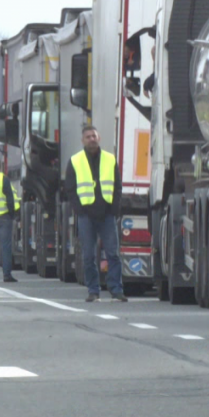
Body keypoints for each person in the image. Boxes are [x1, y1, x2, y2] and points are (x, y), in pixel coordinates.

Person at [65, 125, 127, 303]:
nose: (91, 139)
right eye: (88, 137)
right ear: (83, 140)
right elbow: (70, 188)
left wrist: (115, 208)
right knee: (89, 255)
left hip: (107, 214)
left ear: (99, 138)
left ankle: (116, 290)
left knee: (113, 254)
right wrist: (79, 209)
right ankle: (93, 290)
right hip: (86, 215)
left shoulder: (109, 159)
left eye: (94, 136)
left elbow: (117, 186)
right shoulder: (75, 160)